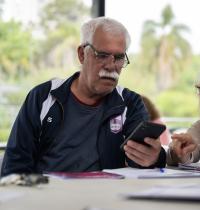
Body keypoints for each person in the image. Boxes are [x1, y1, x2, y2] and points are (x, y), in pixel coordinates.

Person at [1, 17, 166, 177]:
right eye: (101, 55)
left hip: (106, 199)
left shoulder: (130, 103)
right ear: (81, 54)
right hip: (48, 196)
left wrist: (155, 157)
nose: (111, 66)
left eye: (119, 57)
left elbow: (140, 163)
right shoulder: (43, 97)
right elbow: (15, 164)